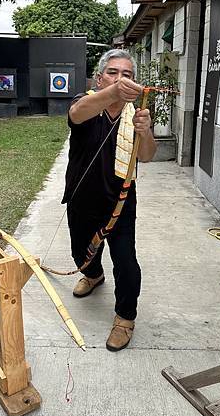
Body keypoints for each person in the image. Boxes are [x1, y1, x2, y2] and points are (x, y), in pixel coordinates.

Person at [61, 49, 156, 351]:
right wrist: (114, 92)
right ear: (99, 78)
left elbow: (148, 155)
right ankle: (93, 275)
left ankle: (125, 318)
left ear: (135, 81)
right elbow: (76, 113)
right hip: (82, 197)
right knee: (81, 252)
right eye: (113, 73)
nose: (120, 79)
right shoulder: (86, 102)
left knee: (126, 261)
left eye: (127, 74)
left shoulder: (135, 114)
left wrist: (146, 132)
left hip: (121, 202)